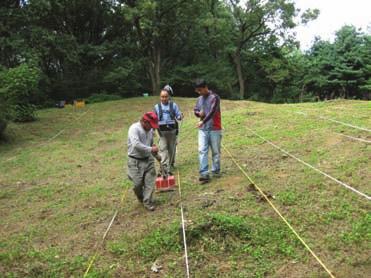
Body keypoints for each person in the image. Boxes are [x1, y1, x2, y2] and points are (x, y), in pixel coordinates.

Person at [127, 111, 160, 211]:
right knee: (137, 184)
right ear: (145, 122)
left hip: (148, 160)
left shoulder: (150, 131)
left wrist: (156, 155)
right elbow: (136, 144)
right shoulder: (134, 129)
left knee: (149, 182)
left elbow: (150, 145)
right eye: (151, 125)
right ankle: (141, 197)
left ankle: (147, 201)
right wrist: (151, 149)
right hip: (135, 161)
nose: (152, 128)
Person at [193, 79, 222, 184]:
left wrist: (203, 120)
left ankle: (216, 170)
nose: (199, 93)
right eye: (197, 91)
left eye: (200, 90)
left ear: (206, 87)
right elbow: (195, 110)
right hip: (203, 129)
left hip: (214, 128)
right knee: (202, 150)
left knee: (215, 151)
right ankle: (204, 173)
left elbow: (212, 112)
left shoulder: (215, 97)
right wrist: (198, 114)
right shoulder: (199, 99)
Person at [154, 86, 182, 175]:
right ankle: (165, 166)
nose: (164, 98)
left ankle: (171, 163)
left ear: (169, 97)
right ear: (160, 97)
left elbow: (178, 115)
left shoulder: (173, 105)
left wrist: (180, 116)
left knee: (171, 149)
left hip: (172, 131)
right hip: (161, 132)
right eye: (162, 97)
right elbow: (154, 119)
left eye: (166, 96)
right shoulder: (156, 107)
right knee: (163, 149)